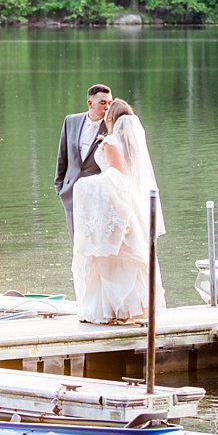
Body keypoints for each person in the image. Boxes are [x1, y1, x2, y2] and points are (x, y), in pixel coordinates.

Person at [71, 99, 167, 325]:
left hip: (116, 202)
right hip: (131, 202)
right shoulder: (131, 143)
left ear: (110, 118)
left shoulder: (112, 142)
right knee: (128, 258)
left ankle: (112, 310)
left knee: (110, 258)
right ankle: (135, 309)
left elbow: (116, 176)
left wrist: (87, 185)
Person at [54, 84, 113, 236]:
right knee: (77, 243)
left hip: (98, 194)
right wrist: (59, 186)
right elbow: (62, 154)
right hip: (71, 192)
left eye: (109, 103)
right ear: (90, 103)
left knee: (96, 240)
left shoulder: (113, 127)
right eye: (103, 103)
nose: (107, 107)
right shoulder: (71, 121)